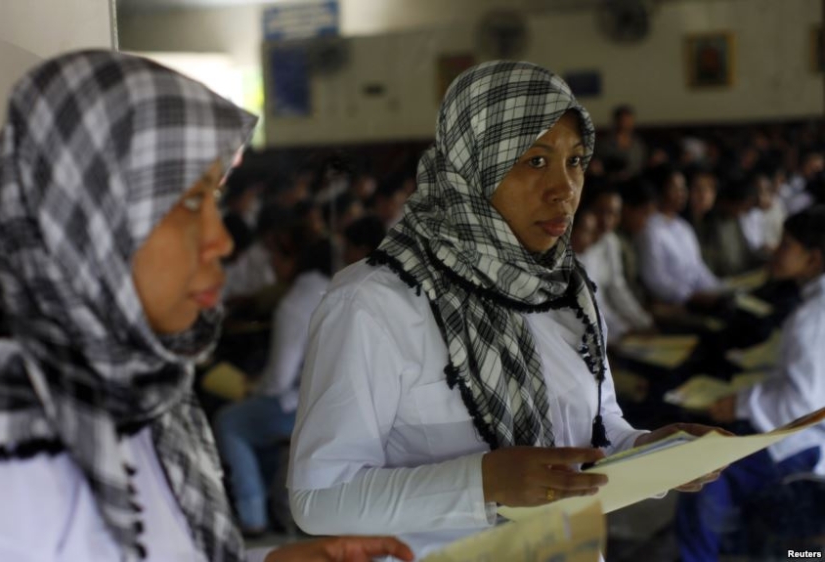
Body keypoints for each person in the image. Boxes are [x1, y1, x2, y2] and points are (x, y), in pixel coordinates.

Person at [0, 51, 413, 562]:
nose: (222, 241)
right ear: (84, 218)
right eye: (188, 203)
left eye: (214, 199)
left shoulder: (134, 389)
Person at [287, 61, 723, 558]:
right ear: (472, 164)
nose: (565, 189)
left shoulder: (566, 291)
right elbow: (318, 498)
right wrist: (482, 482)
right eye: (535, 162)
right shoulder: (374, 302)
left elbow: (597, 428)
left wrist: (647, 452)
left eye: (576, 161)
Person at [678, 205, 825, 562]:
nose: (776, 250)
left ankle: (699, 557)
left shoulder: (812, 318)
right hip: (807, 433)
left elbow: (804, 405)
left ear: (814, 258)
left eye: (787, 245)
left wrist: (741, 403)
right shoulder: (812, 307)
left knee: (702, 468)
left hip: (803, 443)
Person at [214, 230, 334, 537]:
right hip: (333, 399)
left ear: (293, 261)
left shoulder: (293, 305)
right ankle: (265, 499)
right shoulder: (332, 288)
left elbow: (279, 380)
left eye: (277, 258)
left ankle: (252, 514)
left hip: (302, 405)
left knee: (230, 422)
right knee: (255, 421)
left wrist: (251, 386)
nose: (273, 264)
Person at [636, 165, 726, 310]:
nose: (682, 193)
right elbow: (655, 279)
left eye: (683, 188)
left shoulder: (683, 227)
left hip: (698, 298)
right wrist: (690, 296)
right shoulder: (649, 229)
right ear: (660, 191)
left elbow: (697, 269)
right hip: (673, 305)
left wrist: (720, 289)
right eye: (675, 188)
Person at [580, 185, 654, 344]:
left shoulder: (610, 241)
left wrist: (642, 322)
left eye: (613, 213)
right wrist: (621, 332)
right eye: (600, 211)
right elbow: (592, 305)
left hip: (609, 327)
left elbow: (617, 288)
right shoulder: (577, 249)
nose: (606, 220)